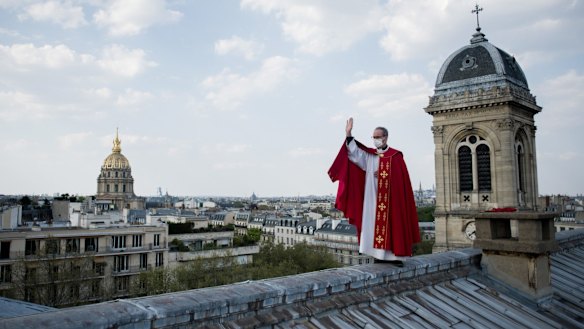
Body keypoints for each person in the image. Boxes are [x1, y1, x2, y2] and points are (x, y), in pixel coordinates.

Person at [328, 118, 420, 265]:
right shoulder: (370, 155)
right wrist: (348, 133)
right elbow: (354, 154)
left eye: (378, 137)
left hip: (392, 199)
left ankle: (394, 257)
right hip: (373, 197)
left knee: (393, 224)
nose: (375, 140)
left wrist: (387, 174)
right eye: (374, 137)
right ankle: (378, 255)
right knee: (373, 224)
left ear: (385, 137)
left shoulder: (396, 156)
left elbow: (401, 180)